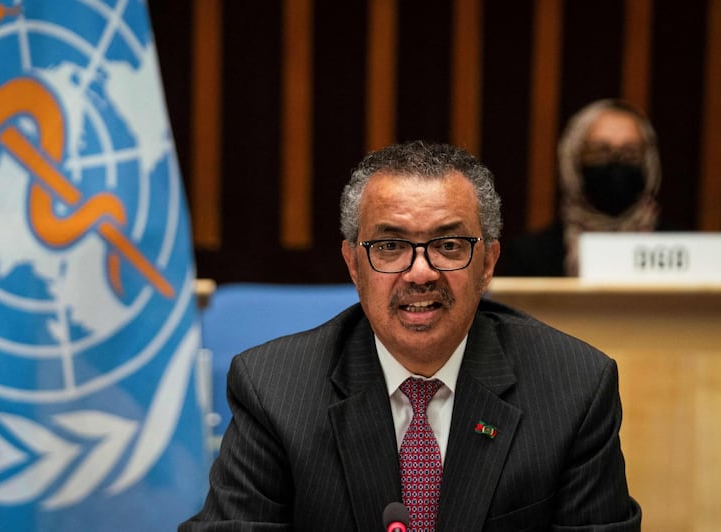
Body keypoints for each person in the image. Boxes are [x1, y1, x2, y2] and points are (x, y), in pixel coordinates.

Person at [181, 141, 641, 531]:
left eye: (448, 245)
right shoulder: (275, 390)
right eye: (390, 246)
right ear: (353, 265)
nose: (420, 272)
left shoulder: (574, 387)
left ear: (489, 264)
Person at [498, 99, 667, 276]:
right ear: (573, 161)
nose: (617, 161)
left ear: (649, 163)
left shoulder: (687, 252)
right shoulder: (529, 257)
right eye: (600, 151)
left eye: (631, 152)